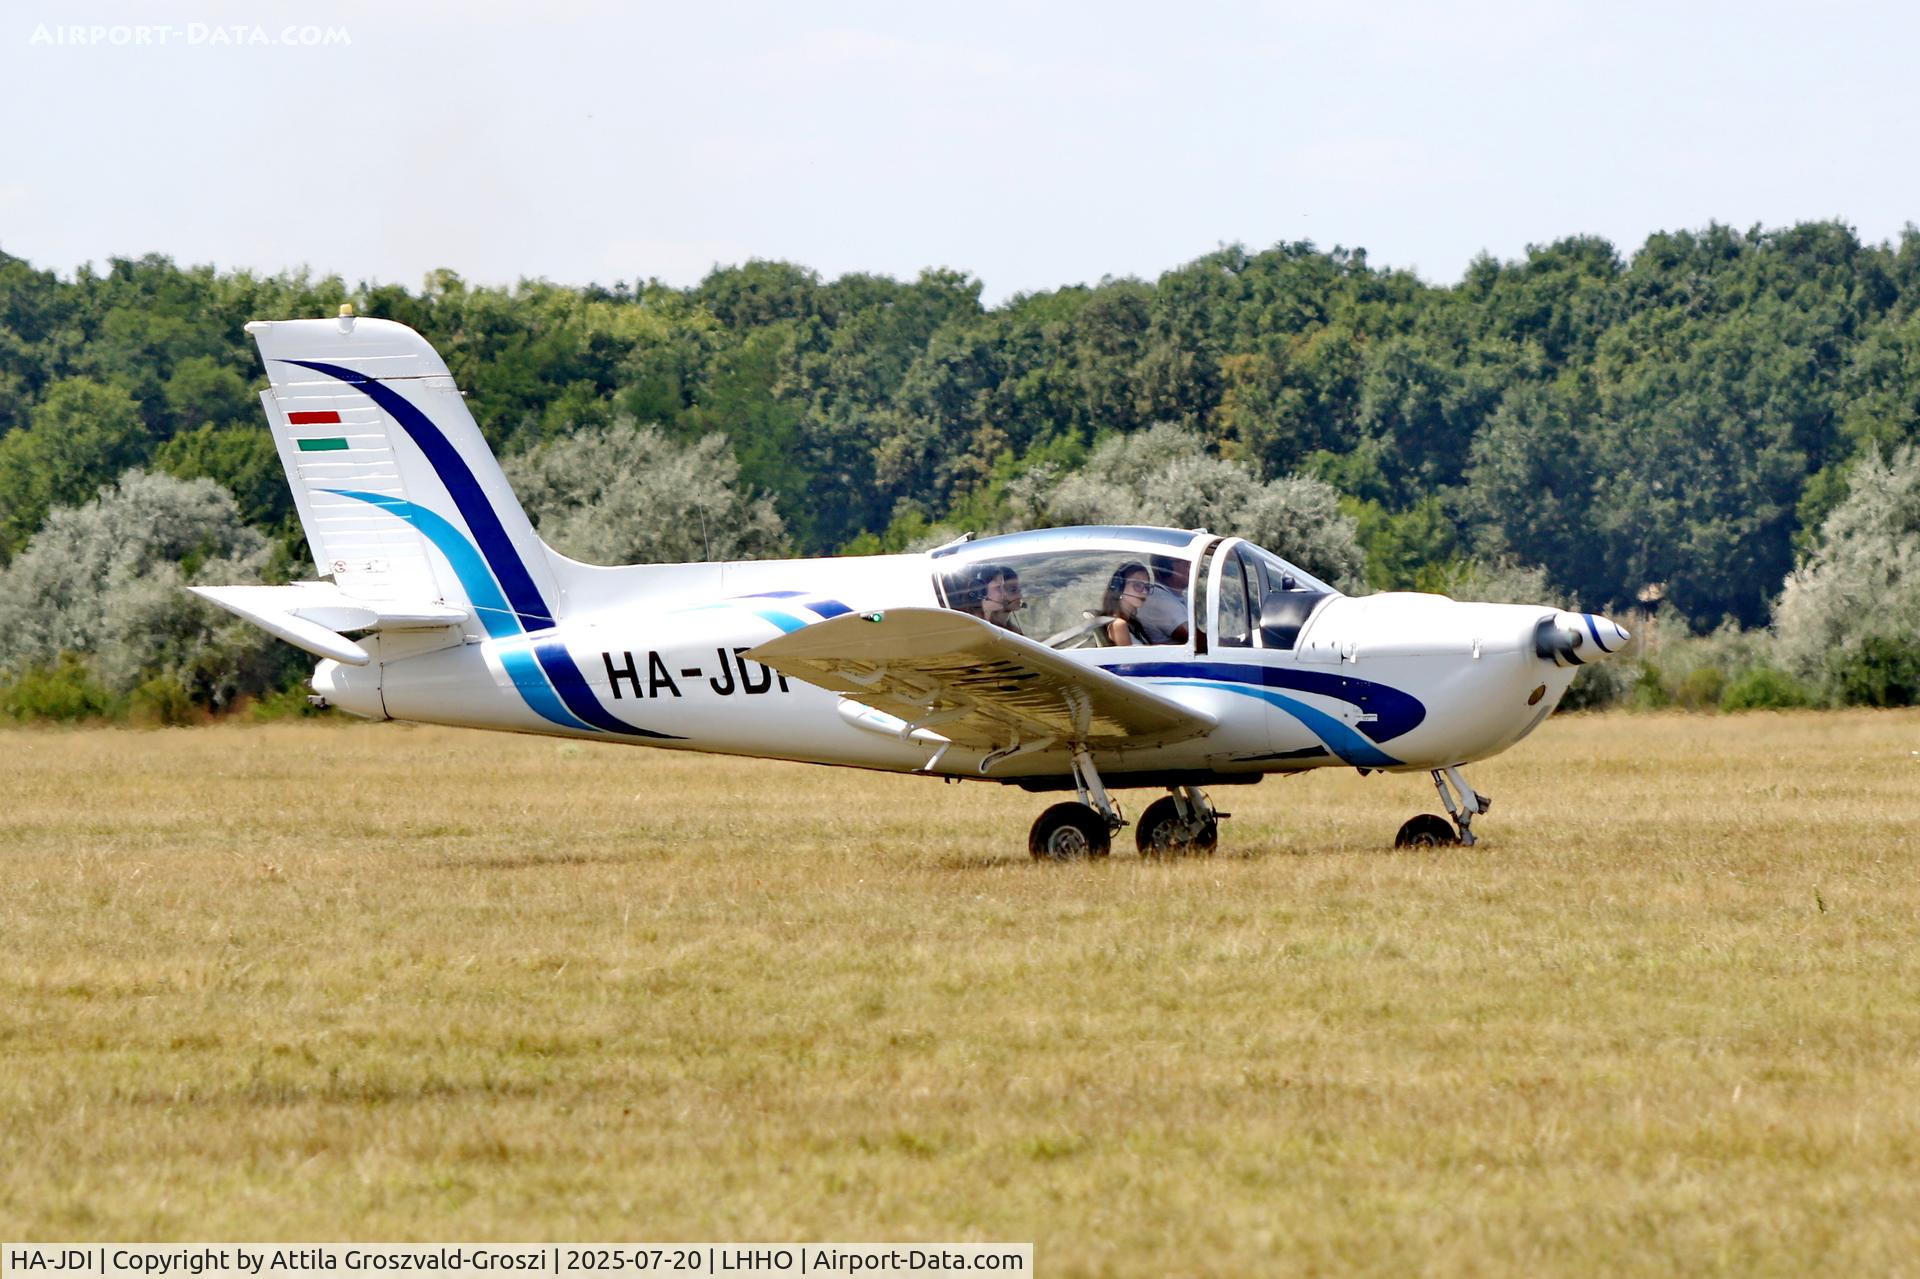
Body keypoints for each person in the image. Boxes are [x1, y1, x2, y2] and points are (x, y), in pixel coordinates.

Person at [1135, 554, 1191, 644]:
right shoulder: (1160, 600)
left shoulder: (1175, 595)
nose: (1190, 567)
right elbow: (1197, 640)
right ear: (1166, 568)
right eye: (1185, 563)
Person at [1097, 562, 1152, 646]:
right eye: (1138, 585)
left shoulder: (1132, 622)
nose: (1145, 592)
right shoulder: (1119, 625)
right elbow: (1132, 659)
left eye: (1147, 587)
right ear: (1119, 587)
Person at [978, 564, 1025, 634]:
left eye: (1019, 590)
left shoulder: (1014, 632)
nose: (1020, 596)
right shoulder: (985, 631)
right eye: (1013, 590)